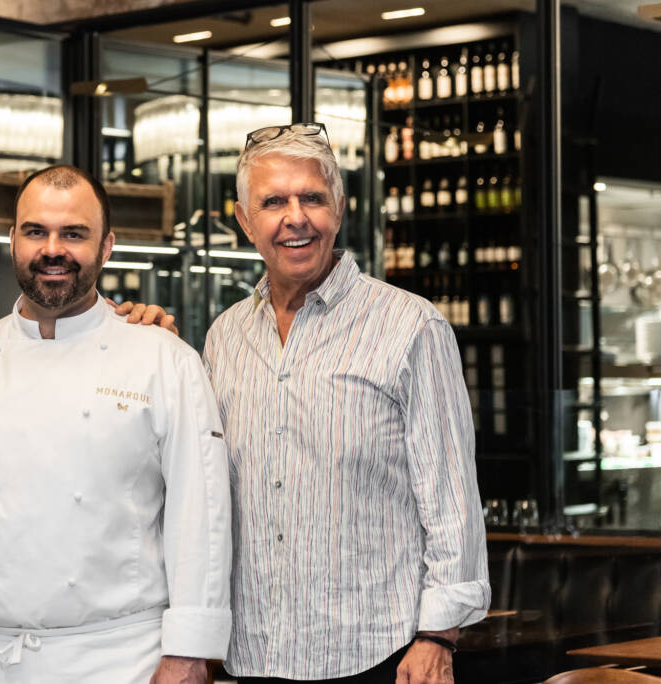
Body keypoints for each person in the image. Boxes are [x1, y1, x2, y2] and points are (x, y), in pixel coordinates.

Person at [120, 123, 489, 684]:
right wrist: (148, 350)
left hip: (377, 653)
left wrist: (437, 636)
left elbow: (451, 498)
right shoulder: (224, 336)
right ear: (245, 221)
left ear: (338, 209)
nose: (296, 217)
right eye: (272, 202)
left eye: (312, 197)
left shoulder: (411, 326)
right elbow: (200, 485)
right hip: (252, 652)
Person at [0, 164, 232, 684]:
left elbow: (199, 517)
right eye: (36, 231)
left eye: (74, 234)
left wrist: (187, 653)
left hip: (119, 660)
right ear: (12, 240)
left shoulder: (165, 360)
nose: (53, 249)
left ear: (106, 247)